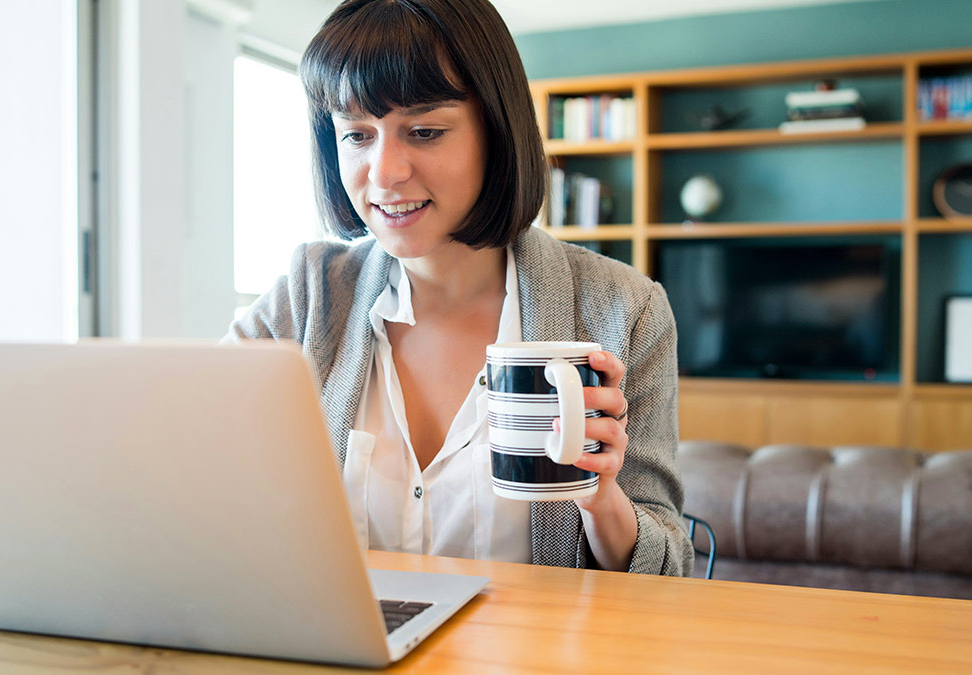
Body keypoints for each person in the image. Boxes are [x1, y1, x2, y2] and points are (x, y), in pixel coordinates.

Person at [224, 0, 693, 577]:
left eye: (424, 131)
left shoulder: (623, 312)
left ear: (496, 131)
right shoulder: (308, 296)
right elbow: (188, 448)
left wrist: (600, 498)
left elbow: (670, 570)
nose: (385, 171)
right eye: (357, 136)